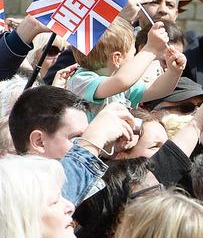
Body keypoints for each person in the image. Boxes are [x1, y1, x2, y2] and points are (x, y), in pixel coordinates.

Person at [8, 87, 140, 204]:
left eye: (85, 136)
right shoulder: (11, 191)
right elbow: (52, 200)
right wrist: (92, 142)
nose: (81, 146)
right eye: (76, 138)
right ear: (39, 141)